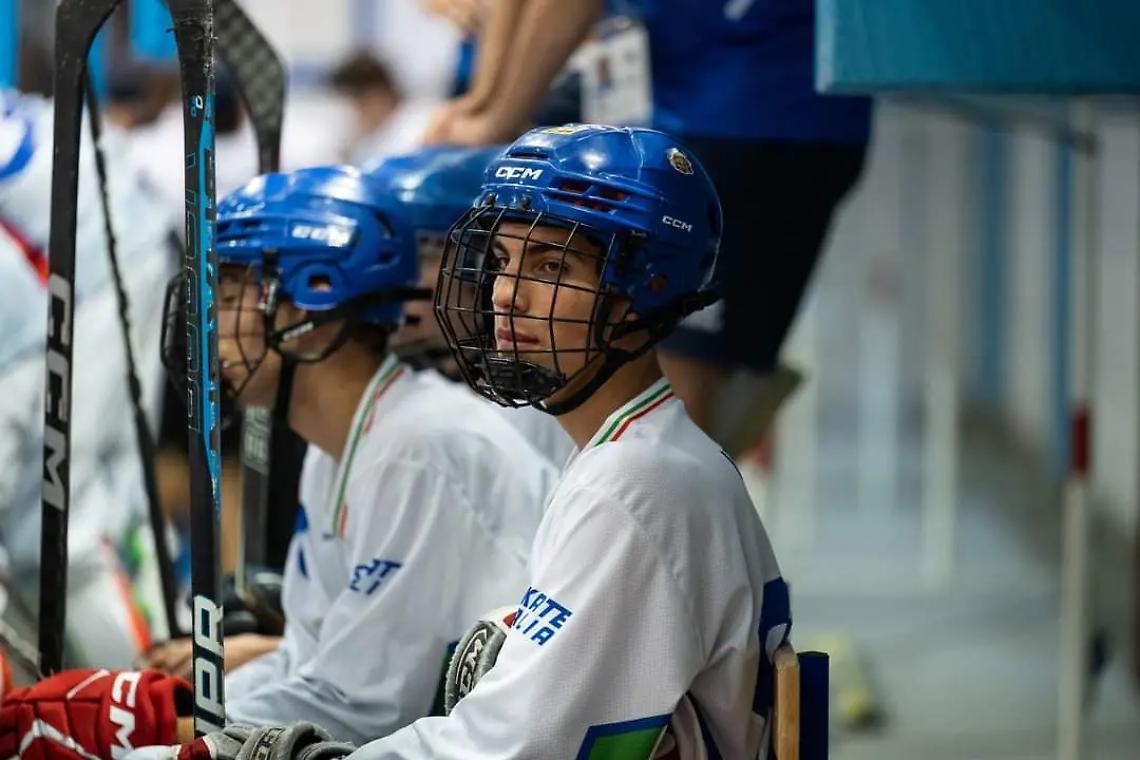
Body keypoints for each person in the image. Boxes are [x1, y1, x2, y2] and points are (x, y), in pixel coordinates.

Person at [133, 124, 792, 760]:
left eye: (551, 265)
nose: (507, 296)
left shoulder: (636, 486)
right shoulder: (636, 458)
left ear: (643, 287)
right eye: (502, 262)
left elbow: (506, 746)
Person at [0, 164, 558, 753]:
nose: (209, 319)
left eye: (234, 289)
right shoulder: (342, 443)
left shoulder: (419, 451)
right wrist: (166, 706)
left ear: (314, 306)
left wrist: (159, 731)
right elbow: (310, 662)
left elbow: (360, 707)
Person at [425, 0, 871, 455]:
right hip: (710, 101)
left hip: (750, 112)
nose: (505, 293)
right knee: (674, 352)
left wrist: (492, 116)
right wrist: (482, 106)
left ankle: (658, 505)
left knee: (671, 351)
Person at [0, 88, 178, 669]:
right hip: (111, 246)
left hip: (84, 275)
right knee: (111, 504)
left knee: (54, 537)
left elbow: (19, 324)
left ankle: (146, 714)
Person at [365, 144, 575, 465]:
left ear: (485, 266)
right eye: (382, 254)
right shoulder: (371, 393)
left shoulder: (538, 411)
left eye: (422, 253)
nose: (391, 276)